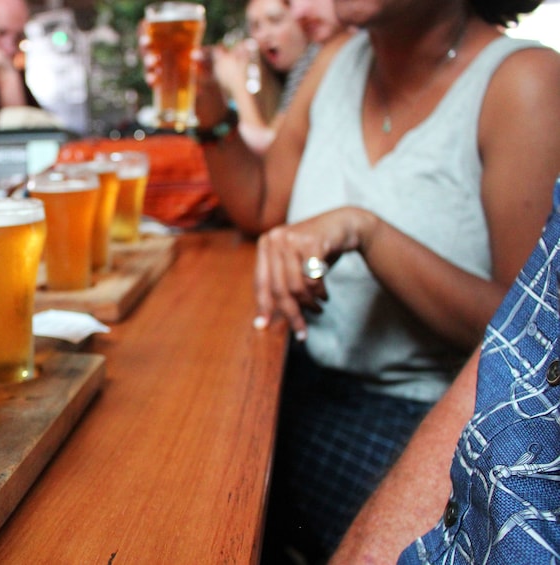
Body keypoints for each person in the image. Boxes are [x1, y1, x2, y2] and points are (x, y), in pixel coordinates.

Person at [188, 0, 560, 560]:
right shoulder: (334, 61)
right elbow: (262, 204)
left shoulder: (524, 82)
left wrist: (368, 232)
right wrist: (207, 104)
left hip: (417, 419)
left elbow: (526, 342)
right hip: (297, 376)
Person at [332, 176, 560, 563]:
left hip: (400, 398)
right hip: (359, 394)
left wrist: (369, 234)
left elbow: (500, 312)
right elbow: (515, 338)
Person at [205, 0, 311, 154]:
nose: (264, 34)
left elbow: (272, 151)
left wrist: (238, 84)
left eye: (275, 21)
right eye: (255, 26)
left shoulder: (311, 64)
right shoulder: (271, 72)